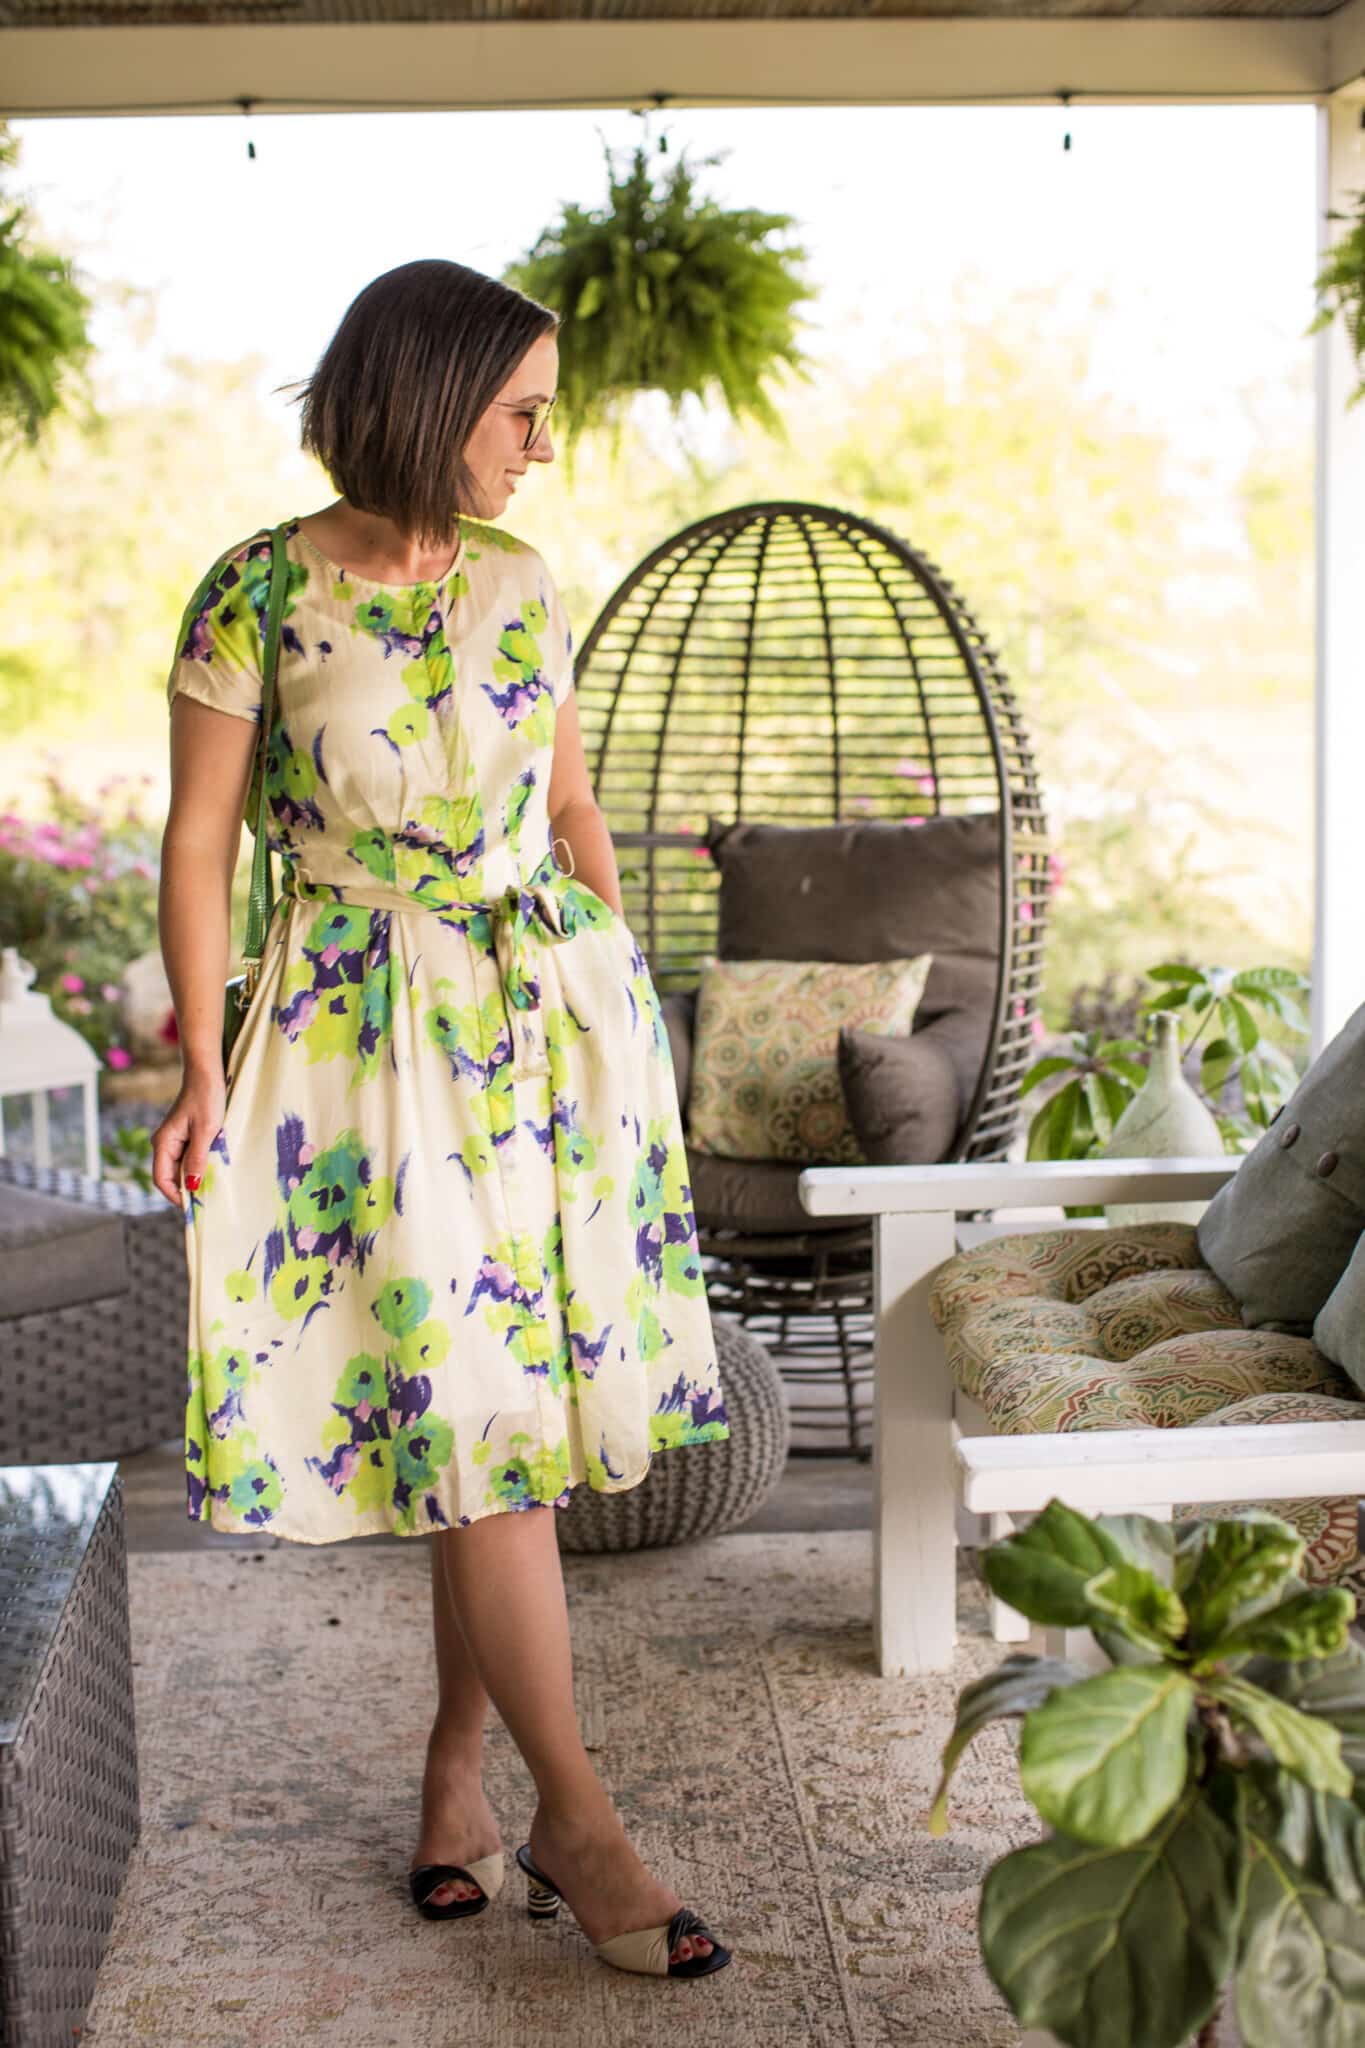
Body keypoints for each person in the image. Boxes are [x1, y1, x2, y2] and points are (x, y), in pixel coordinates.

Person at [150, 258, 733, 1981]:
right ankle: (582, 1816)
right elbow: (197, 843)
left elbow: (567, 806)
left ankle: (458, 1774)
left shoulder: (526, 581)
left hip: (545, 1027)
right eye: (518, 410)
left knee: (511, 1422)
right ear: (422, 397)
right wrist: (201, 1062)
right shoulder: (254, 591)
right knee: (466, 1407)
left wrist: (618, 1009)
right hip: (356, 1037)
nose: (541, 443)